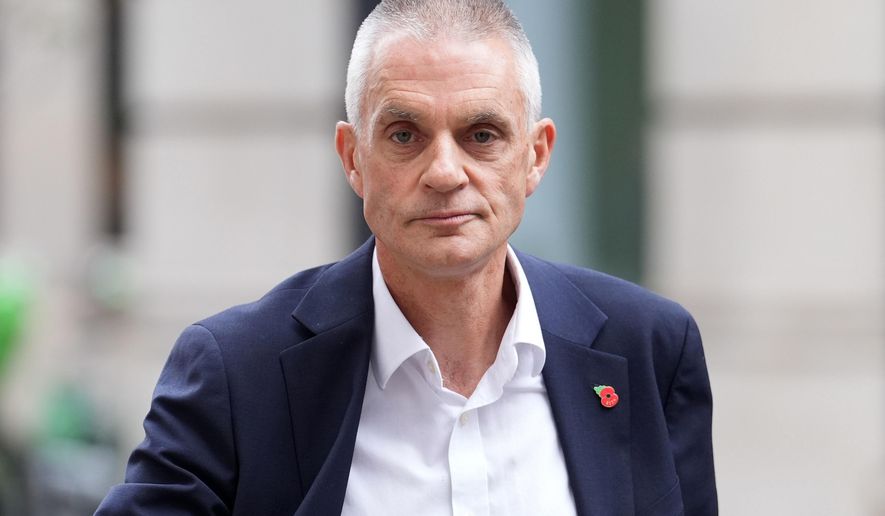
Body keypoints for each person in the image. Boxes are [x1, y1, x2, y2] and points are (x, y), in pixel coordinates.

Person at [96, 1, 717, 514]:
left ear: (535, 155)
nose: (445, 172)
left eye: (482, 135)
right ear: (352, 157)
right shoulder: (239, 373)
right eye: (404, 135)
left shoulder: (649, 351)